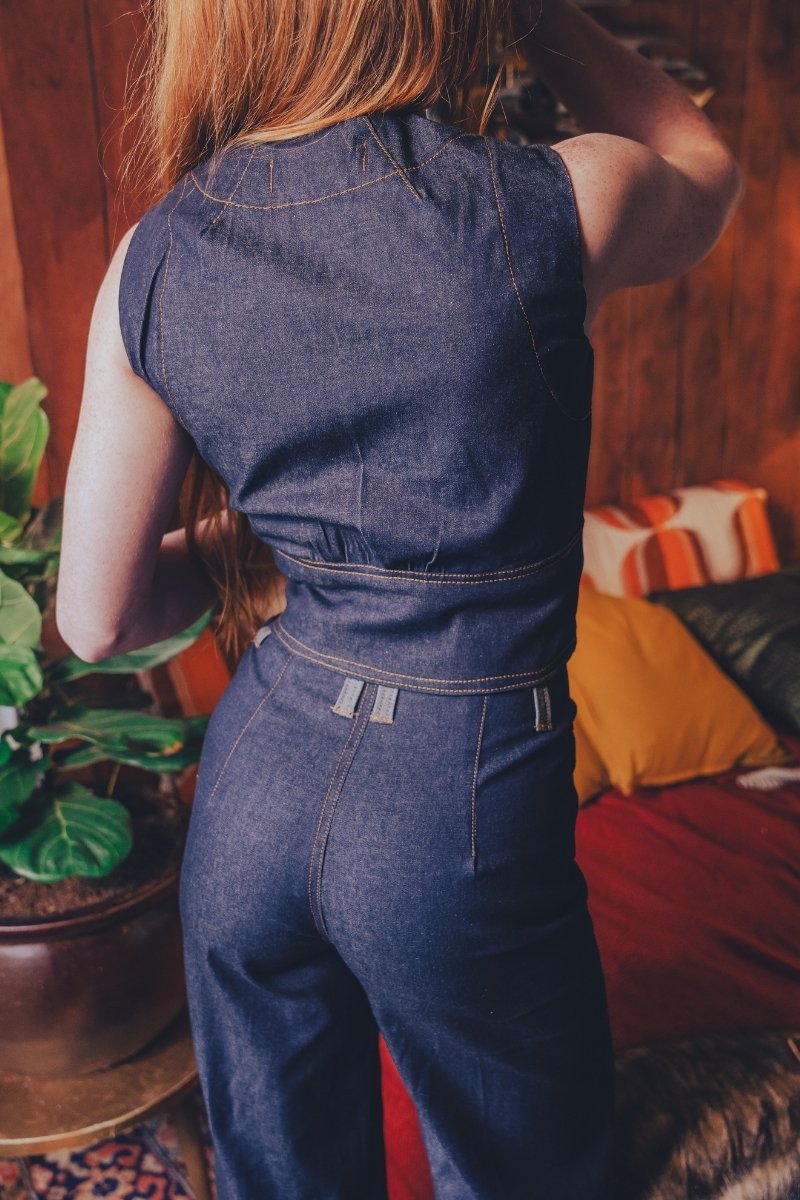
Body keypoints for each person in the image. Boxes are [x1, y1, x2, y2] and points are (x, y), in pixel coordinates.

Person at [56, 0, 744, 1195]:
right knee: (522, 1172)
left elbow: (96, 621)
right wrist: (543, 17)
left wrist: (277, 543)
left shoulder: (151, 257)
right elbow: (702, 162)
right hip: (454, 794)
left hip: (256, 774)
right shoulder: (548, 201)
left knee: (280, 1175)